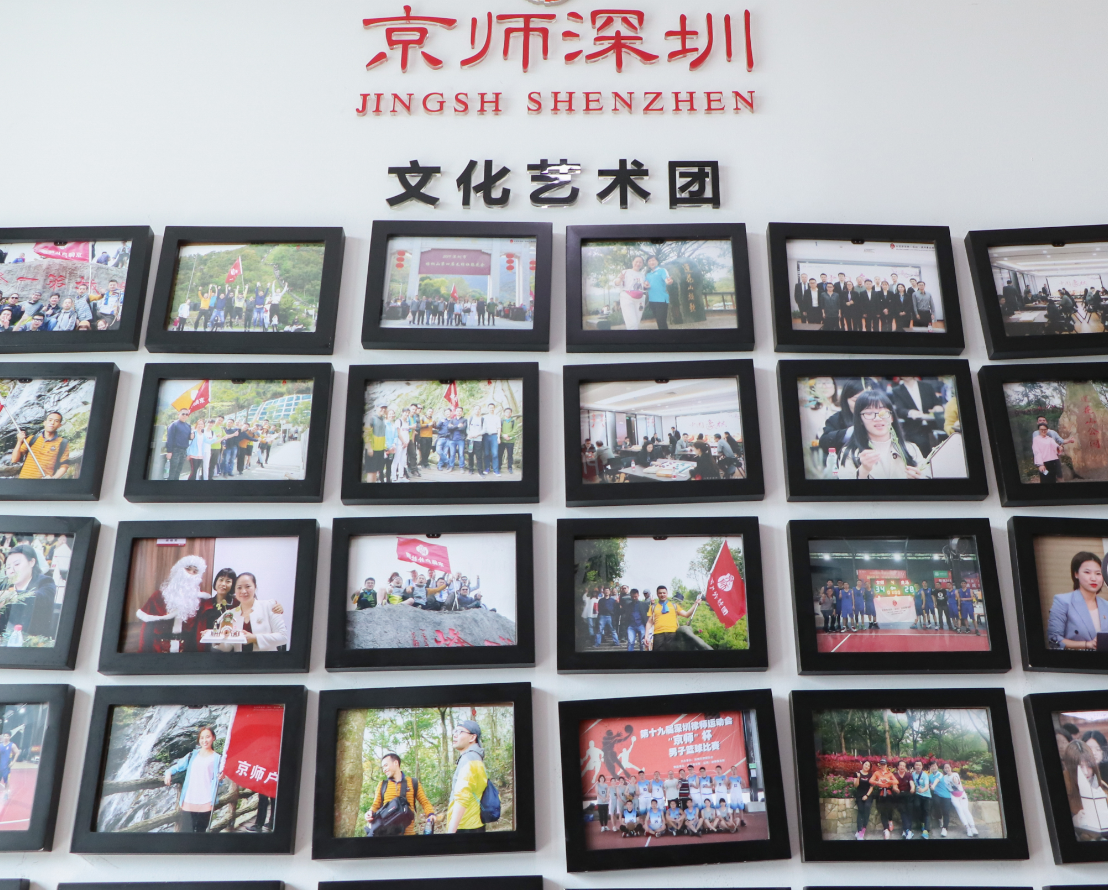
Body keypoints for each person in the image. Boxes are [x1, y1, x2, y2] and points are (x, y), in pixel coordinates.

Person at [838, 389, 931, 480]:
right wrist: (864, 470)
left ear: (892, 417)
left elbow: (927, 475)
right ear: (860, 419)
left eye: (883, 412)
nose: (878, 418)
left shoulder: (910, 449)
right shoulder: (849, 453)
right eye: (869, 413)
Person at [135, 554, 209, 653]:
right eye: (188, 569)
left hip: (186, 652)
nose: (190, 573)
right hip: (159, 650)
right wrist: (142, 653)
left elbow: (199, 630)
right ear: (178, 570)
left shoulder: (199, 600)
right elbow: (146, 629)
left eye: (195, 571)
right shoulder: (158, 596)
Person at [164, 726, 224, 833]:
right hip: (189, 799)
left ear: (213, 738)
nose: (204, 740)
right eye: (202, 738)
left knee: (201, 832)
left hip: (206, 801)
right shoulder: (192, 755)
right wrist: (168, 773)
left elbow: (219, 780)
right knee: (186, 831)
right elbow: (178, 766)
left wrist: (221, 777)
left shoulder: (218, 758)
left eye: (207, 737)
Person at [1046, 550, 1107, 650]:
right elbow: (1053, 639)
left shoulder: (1106, 605)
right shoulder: (1062, 601)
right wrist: (1087, 644)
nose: (1093, 578)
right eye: (1087, 572)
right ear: (1076, 574)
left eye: (1098, 573)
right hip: (1075, 658)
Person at [367, 752, 436, 836]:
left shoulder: (413, 782)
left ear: (396, 763)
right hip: (387, 836)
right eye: (383, 767)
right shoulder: (382, 785)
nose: (384, 769)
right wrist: (370, 812)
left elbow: (424, 802)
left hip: (409, 835)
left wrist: (431, 814)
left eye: (386, 765)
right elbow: (375, 805)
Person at [0, 543, 57, 640]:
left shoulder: (45, 582)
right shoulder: (4, 586)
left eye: (17, 564)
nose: (11, 570)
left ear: (32, 562)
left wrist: (12, 596)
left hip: (33, 642)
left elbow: (42, 597)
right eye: (8, 567)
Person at [447, 720, 489, 834]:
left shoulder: (469, 759)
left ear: (472, 737)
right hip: (474, 824)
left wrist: (451, 832)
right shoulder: (476, 758)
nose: (455, 735)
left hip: (465, 827)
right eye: (455, 731)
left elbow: (462, 797)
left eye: (460, 732)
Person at [1064, 739, 1109, 839]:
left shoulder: (1103, 787)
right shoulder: (1064, 791)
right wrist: (1074, 821)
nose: (1085, 772)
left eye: (1089, 766)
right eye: (1080, 767)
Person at [10, 410, 73, 480]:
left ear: (59, 425)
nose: (52, 423)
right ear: (44, 423)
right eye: (50, 420)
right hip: (24, 480)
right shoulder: (32, 439)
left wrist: (53, 478)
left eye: (56, 421)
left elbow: (64, 466)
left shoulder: (62, 443)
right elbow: (14, 460)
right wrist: (19, 441)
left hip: (43, 483)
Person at [646, 585, 701, 651]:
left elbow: (686, 614)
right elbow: (649, 623)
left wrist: (695, 604)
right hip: (658, 634)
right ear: (657, 594)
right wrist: (646, 636)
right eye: (660, 593)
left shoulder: (674, 606)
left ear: (667, 593)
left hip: (672, 634)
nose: (662, 594)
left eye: (664, 593)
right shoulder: (653, 607)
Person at [942, 764, 979, 837]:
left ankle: (973, 827)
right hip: (953, 796)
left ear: (950, 768)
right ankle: (967, 828)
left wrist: (955, 781)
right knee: (959, 809)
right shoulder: (944, 778)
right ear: (944, 769)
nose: (947, 769)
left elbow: (957, 782)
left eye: (948, 767)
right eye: (945, 768)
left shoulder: (955, 774)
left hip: (962, 795)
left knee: (965, 809)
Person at [615, 255, 647, 331]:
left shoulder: (642, 275)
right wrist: (620, 279)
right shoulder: (625, 272)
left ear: (642, 264)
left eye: (640, 262)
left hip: (640, 300)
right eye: (636, 261)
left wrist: (646, 286)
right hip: (627, 298)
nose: (638, 263)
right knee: (632, 323)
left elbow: (643, 288)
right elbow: (616, 283)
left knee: (637, 322)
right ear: (633, 262)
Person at [870, 757, 898, 840]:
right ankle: (885, 829)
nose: (883, 766)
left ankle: (890, 820)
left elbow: (896, 781)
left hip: (888, 792)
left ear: (886, 765)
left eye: (884, 764)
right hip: (880, 793)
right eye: (882, 764)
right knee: (883, 811)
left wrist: (889, 781)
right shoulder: (877, 773)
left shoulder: (889, 773)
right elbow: (871, 781)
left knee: (890, 808)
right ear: (880, 765)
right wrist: (877, 782)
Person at [162, 409, 194, 481]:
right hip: (175, 450)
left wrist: (191, 436)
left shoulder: (188, 426)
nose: (185, 415)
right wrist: (169, 451)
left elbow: (188, 438)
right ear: (178, 414)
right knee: (173, 470)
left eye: (186, 414)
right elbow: (170, 438)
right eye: (183, 414)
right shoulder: (174, 425)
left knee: (179, 469)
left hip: (184, 450)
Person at [364, 404, 388, 482]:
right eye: (381, 407)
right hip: (372, 450)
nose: (383, 409)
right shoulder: (371, 418)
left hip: (380, 450)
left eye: (385, 408)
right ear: (377, 407)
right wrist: (369, 448)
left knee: (376, 471)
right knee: (371, 472)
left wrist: (384, 448)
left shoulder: (382, 420)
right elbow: (366, 433)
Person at [929, 760, 954, 836]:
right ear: (930, 767)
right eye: (932, 766)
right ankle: (940, 818)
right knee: (935, 803)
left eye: (935, 766)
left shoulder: (940, 774)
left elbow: (937, 781)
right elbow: (927, 783)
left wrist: (933, 786)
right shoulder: (930, 776)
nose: (934, 767)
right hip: (937, 795)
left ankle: (945, 828)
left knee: (946, 811)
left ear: (937, 767)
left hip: (946, 795)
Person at [852, 759, 874, 840]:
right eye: (866, 764)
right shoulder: (857, 773)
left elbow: (871, 787)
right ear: (863, 764)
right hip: (859, 795)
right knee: (860, 810)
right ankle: (859, 830)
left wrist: (867, 795)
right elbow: (856, 785)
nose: (867, 766)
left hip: (868, 795)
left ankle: (863, 829)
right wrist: (858, 777)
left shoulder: (870, 775)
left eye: (868, 766)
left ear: (869, 767)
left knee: (867, 807)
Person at [911, 759, 932, 839]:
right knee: (917, 807)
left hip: (926, 795)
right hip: (918, 795)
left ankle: (926, 831)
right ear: (914, 766)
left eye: (919, 765)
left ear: (922, 766)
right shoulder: (913, 774)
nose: (918, 767)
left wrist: (922, 790)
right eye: (916, 765)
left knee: (926, 811)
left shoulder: (925, 775)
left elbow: (927, 786)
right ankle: (922, 823)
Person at [0, 731, 19, 796]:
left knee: (6, 781)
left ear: (10, 737)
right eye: (5, 736)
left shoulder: (12, 745)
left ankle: (6, 793)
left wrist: (13, 762)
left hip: (6, 766)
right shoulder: (0, 745)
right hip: (0, 765)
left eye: (7, 736)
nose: (6, 737)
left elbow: (17, 752)